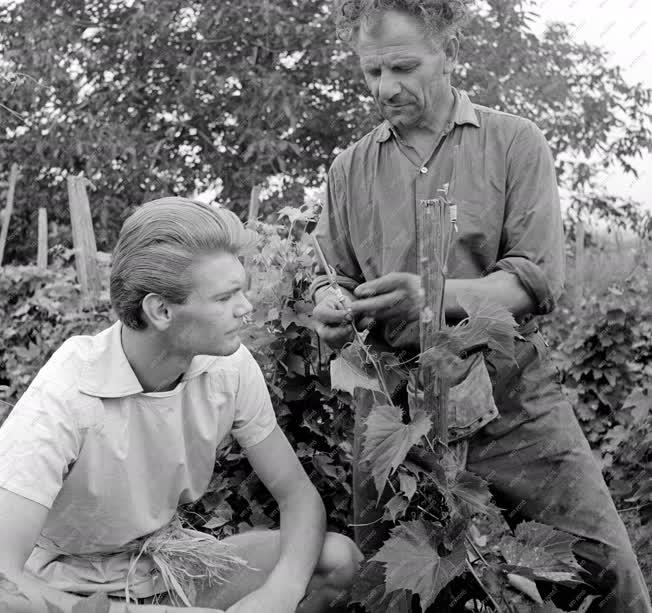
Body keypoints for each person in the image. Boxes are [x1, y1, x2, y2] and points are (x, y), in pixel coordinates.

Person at [310, 2, 651, 612]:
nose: (386, 87)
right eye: (371, 72)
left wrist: (432, 299)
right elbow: (329, 277)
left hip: (510, 396)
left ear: (450, 55)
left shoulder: (513, 142)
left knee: (608, 571)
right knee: (393, 587)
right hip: (396, 411)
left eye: (403, 67)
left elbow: (535, 281)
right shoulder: (349, 169)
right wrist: (333, 305)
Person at [0, 197, 362, 613]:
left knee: (337, 562)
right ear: (160, 310)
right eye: (226, 297)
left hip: (167, 564)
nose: (245, 309)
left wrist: (280, 592)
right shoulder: (67, 395)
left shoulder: (228, 367)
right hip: (73, 589)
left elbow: (298, 497)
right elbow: (5, 582)